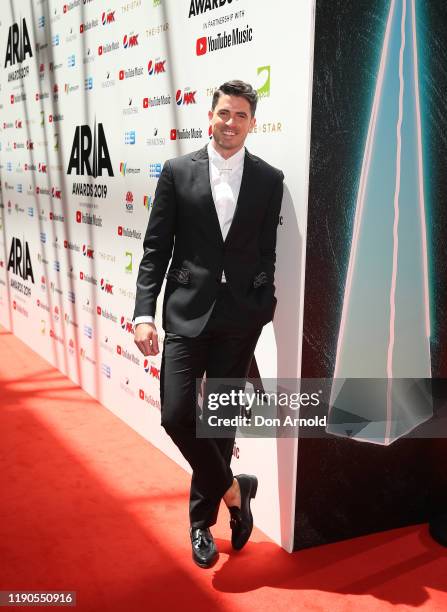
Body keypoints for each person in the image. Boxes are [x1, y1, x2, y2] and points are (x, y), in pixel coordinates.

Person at [133, 80, 284, 568]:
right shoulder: (178, 172)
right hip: (185, 311)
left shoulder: (268, 178)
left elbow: (266, 251)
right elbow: (156, 248)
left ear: (251, 122)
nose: (230, 122)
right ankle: (237, 493)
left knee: (218, 423)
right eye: (223, 113)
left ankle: (202, 524)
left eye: (240, 115)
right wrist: (142, 312)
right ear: (210, 116)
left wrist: (264, 302)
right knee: (177, 414)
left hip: (240, 316)